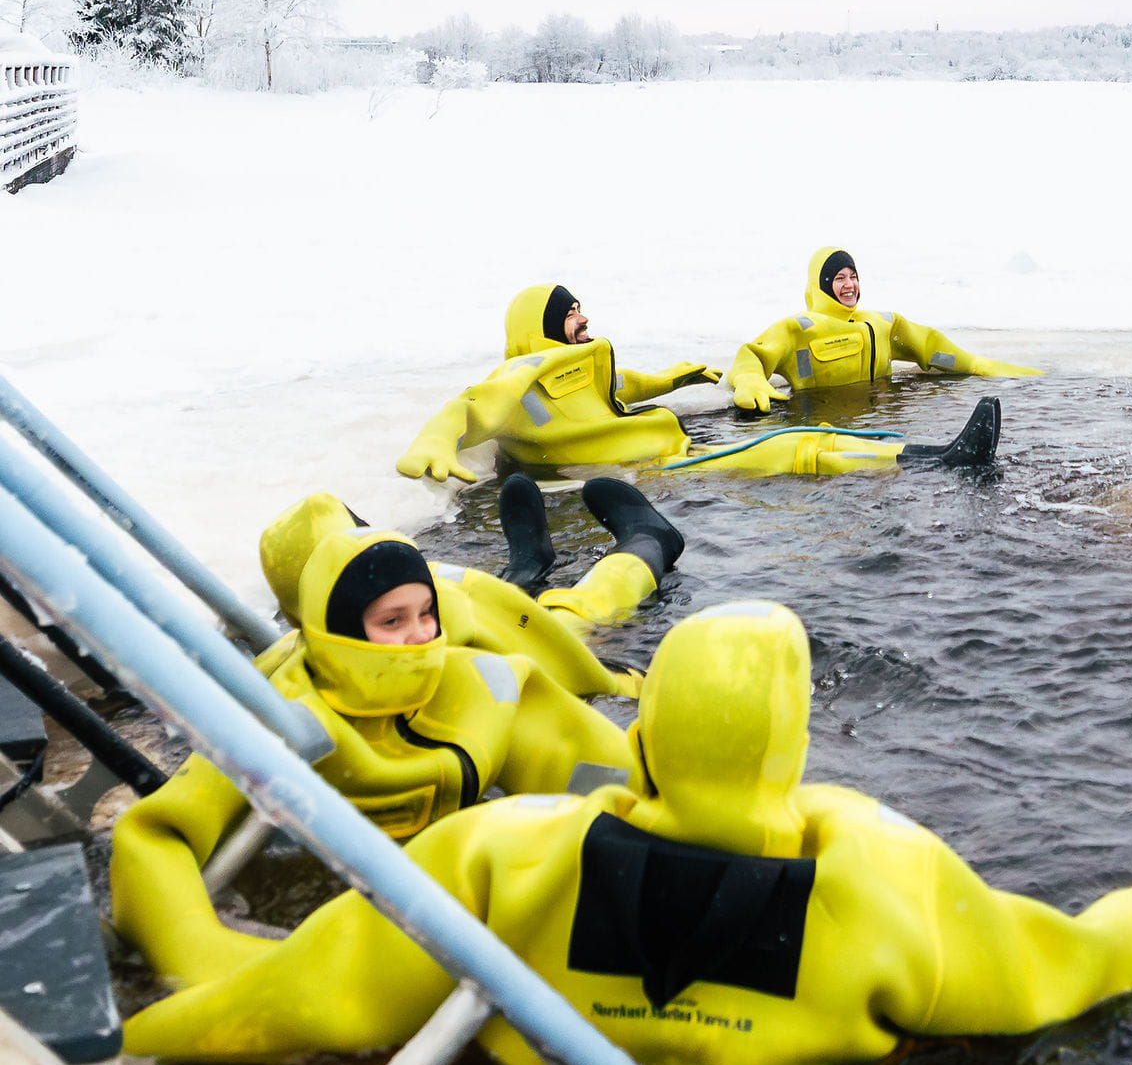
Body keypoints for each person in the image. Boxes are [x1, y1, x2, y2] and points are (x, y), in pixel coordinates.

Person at [124, 601, 1132, 1065]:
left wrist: (133, 1042)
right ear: (790, 737)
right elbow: (1078, 966)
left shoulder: (501, 855)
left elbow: (307, 996)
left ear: (648, 730)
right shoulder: (883, 876)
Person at [111, 526, 644, 987]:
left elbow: (607, 776)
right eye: (391, 622)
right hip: (349, 909)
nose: (418, 638)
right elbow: (155, 837)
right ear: (339, 630)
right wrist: (213, 957)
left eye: (425, 615)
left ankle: (636, 550)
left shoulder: (480, 685)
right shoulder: (281, 720)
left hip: (452, 883)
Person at [399, 282, 1003, 482]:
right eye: (573, 311)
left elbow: (622, 387)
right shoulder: (521, 373)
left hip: (665, 447)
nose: (584, 317)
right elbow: (471, 409)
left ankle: (928, 455)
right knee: (786, 449)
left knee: (813, 431)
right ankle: (935, 463)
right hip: (650, 468)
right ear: (548, 323)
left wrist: (674, 377)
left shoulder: (575, 363)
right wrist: (434, 441)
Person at [257, 483, 680, 704]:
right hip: (492, 627)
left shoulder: (443, 597)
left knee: (573, 612)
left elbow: (573, 670)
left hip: (498, 623)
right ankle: (533, 565)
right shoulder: (284, 683)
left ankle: (638, 543)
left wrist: (629, 684)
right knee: (568, 612)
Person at [726, 247, 1040, 411]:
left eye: (853, 276)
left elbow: (931, 347)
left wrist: (977, 365)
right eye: (839, 279)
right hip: (818, 427)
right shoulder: (799, 329)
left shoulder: (880, 324)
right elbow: (751, 356)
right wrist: (750, 379)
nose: (849, 285)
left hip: (875, 421)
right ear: (822, 286)